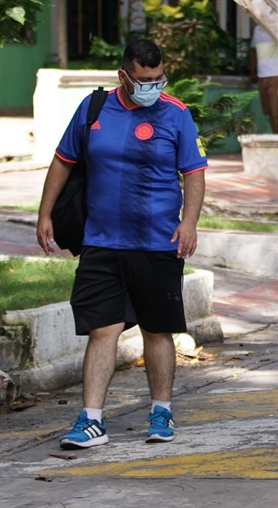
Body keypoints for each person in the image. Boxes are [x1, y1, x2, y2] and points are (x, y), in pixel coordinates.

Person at [36, 39, 208, 449]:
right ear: (123, 76)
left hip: (158, 242)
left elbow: (195, 172)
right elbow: (64, 160)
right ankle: (91, 419)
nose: (152, 85)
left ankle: (161, 411)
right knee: (102, 329)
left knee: (157, 329)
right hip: (101, 241)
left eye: (158, 78)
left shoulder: (176, 113)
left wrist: (189, 223)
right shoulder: (94, 109)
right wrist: (44, 213)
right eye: (144, 79)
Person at [249, 23, 278, 133]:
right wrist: (252, 71)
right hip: (262, 76)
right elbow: (253, 51)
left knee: (276, 111)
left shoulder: (275, 27)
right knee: (268, 111)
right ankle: (276, 135)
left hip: (276, 75)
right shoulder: (257, 29)